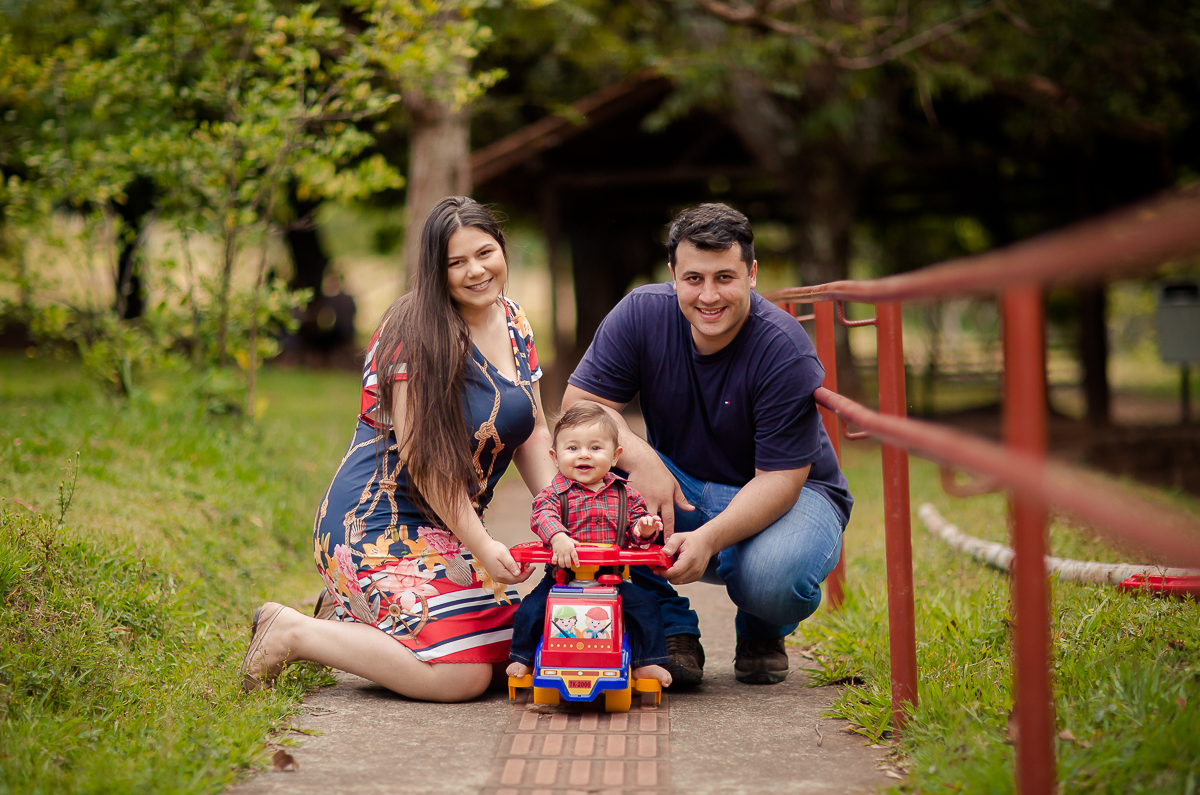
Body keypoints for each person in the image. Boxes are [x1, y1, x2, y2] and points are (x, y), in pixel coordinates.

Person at [240, 197, 556, 702]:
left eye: (485, 252)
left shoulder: (514, 320)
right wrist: (483, 545)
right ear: (436, 269)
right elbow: (424, 464)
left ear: (502, 248)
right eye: (456, 262)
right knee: (462, 677)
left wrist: (557, 517)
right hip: (375, 523)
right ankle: (292, 631)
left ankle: (353, 617)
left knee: (519, 650)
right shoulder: (413, 330)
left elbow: (534, 429)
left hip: (443, 528)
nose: (476, 271)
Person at [562, 203, 853, 687]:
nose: (709, 295)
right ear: (673, 274)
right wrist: (641, 458)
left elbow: (781, 479)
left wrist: (711, 539)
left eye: (725, 277)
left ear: (752, 274)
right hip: (685, 486)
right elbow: (581, 409)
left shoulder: (783, 347)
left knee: (770, 579)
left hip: (793, 495)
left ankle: (763, 624)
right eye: (694, 278)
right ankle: (670, 626)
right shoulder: (640, 313)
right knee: (584, 467)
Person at [505, 402, 672, 687]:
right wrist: (557, 537)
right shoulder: (553, 495)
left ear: (615, 455)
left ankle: (646, 662)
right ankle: (522, 657)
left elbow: (635, 530)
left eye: (595, 448)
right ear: (554, 457)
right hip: (562, 578)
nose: (584, 455)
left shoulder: (627, 495)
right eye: (573, 449)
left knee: (647, 606)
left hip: (610, 579)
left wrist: (644, 530)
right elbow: (541, 515)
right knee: (530, 609)